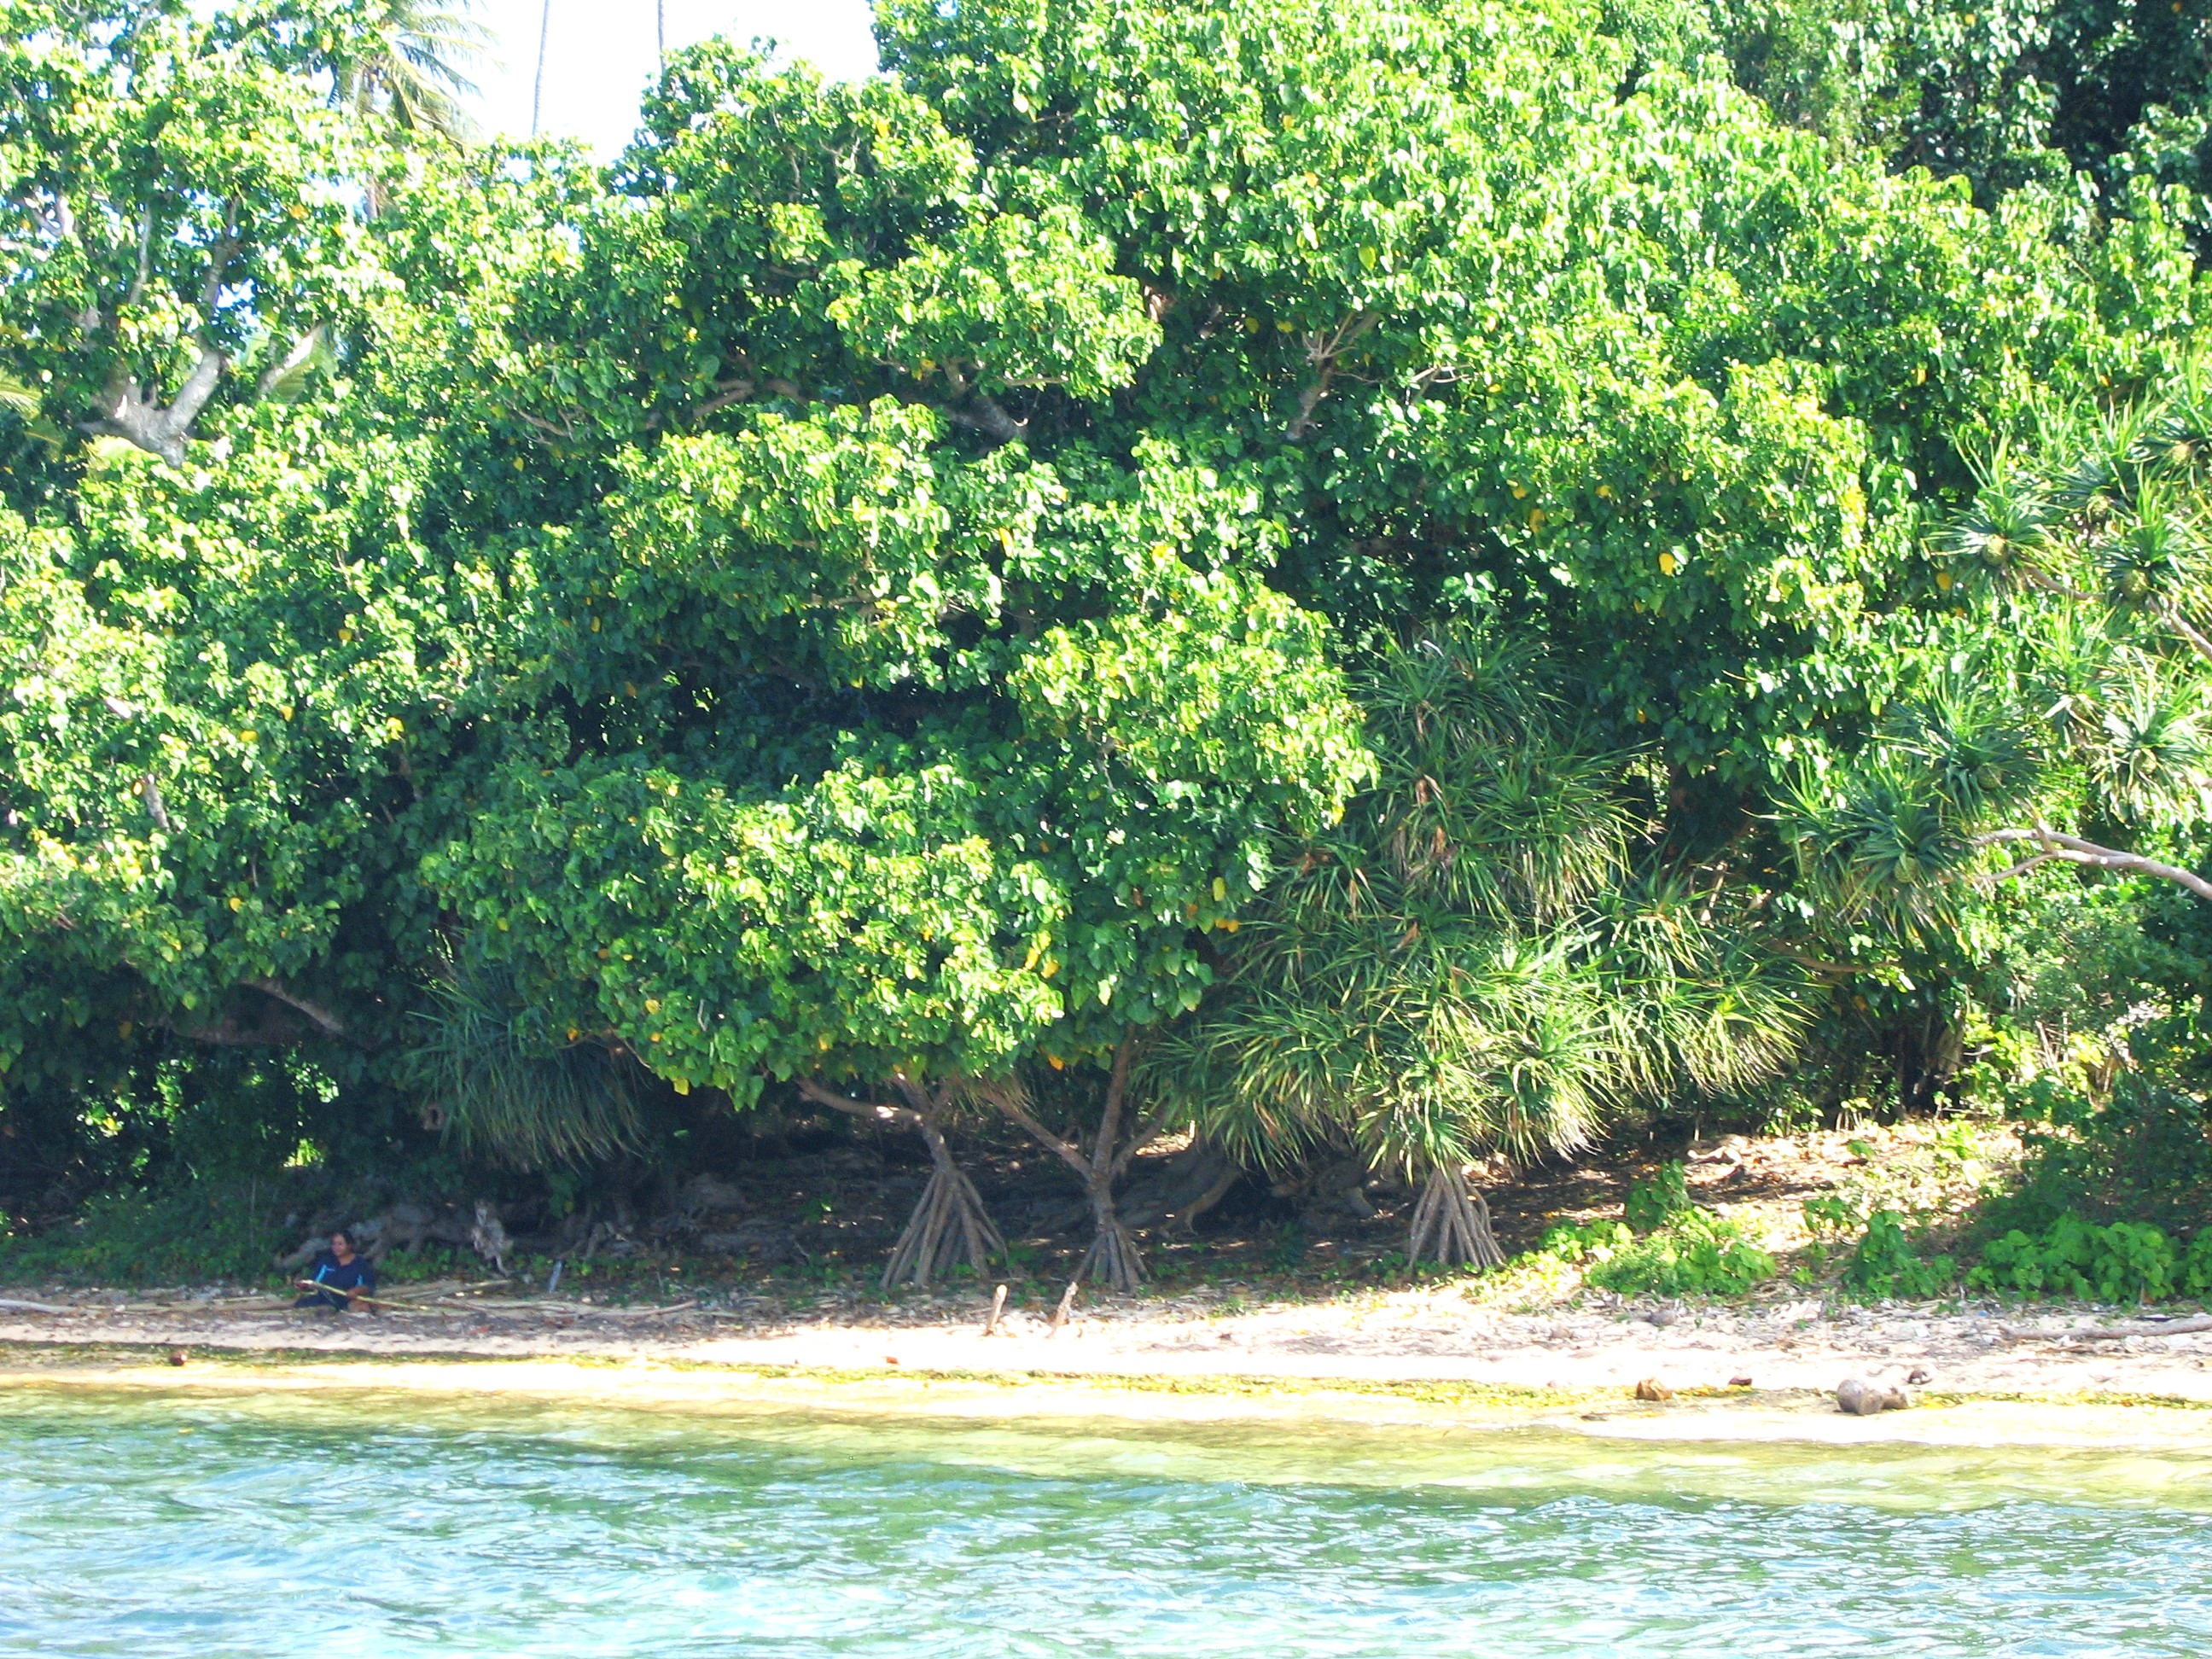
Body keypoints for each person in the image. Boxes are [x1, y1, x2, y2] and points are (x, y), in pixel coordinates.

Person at [294, 1228, 378, 1313]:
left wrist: (356, 1291)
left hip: (348, 1301)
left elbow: (369, 1285)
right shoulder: (326, 1262)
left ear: (349, 1245)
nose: (336, 1247)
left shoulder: (361, 1264)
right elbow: (314, 1282)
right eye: (334, 1244)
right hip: (324, 1300)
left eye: (340, 1244)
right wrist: (305, 1285)